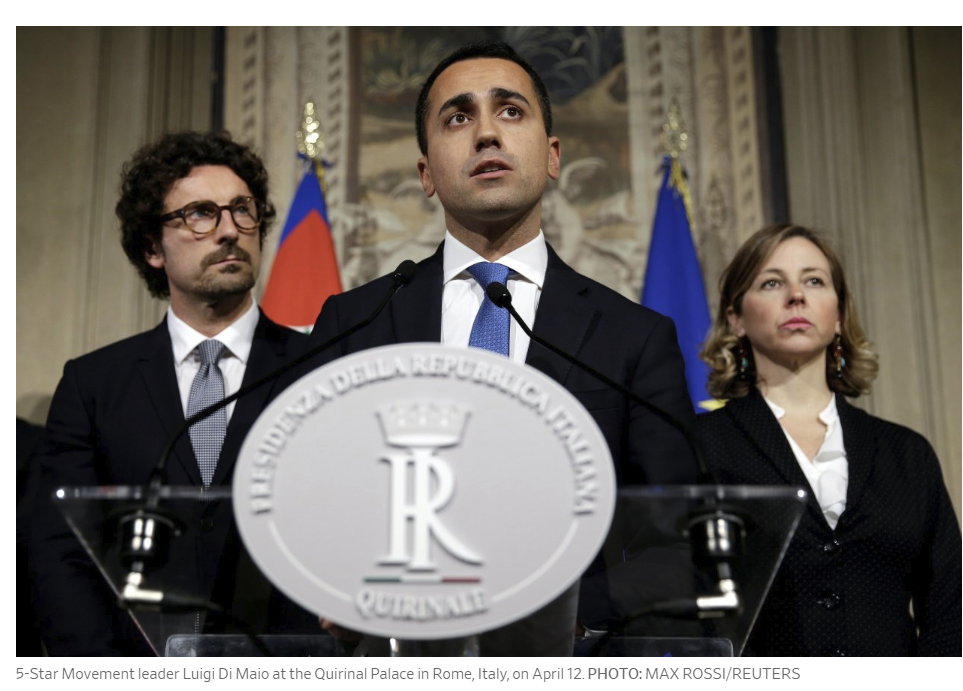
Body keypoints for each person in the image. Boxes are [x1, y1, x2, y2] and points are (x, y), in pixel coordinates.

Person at [299, 41, 699, 649]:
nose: (487, 133)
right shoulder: (354, 324)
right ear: (426, 174)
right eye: (458, 117)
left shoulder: (634, 338)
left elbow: (674, 543)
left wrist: (561, 609)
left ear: (552, 156)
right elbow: (311, 503)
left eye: (511, 111)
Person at [29, 131, 308, 656]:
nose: (230, 230)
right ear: (153, 248)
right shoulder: (93, 385)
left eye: (242, 210)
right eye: (200, 214)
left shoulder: (317, 367)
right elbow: (61, 552)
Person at [696, 223, 961, 656]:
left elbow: (952, 614)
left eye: (814, 281)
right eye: (772, 282)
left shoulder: (906, 454)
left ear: (838, 315)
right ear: (736, 318)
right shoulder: (700, 446)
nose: (796, 296)